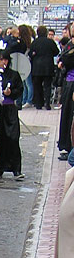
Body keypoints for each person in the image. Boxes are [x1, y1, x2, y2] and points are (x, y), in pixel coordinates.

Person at [0, 50, 24, 179]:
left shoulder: (14, 75)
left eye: (6, 60)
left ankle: (16, 168)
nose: (4, 62)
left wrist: (11, 92)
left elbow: (19, 89)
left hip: (9, 109)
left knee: (13, 138)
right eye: (1, 59)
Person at [29, 26, 60, 110]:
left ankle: (39, 104)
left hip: (37, 67)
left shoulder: (35, 42)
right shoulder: (50, 42)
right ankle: (47, 104)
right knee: (47, 86)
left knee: (37, 86)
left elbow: (30, 54)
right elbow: (56, 52)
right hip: (48, 67)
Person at [57, 27, 74, 160]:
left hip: (71, 83)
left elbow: (66, 60)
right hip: (69, 83)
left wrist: (63, 62)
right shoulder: (70, 44)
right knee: (67, 116)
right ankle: (66, 145)